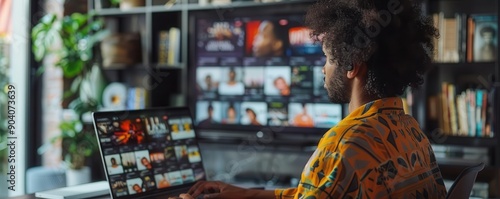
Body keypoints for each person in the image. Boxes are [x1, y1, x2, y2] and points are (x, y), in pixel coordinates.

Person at [169, 0, 446, 198]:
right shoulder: (410, 130)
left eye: (327, 57)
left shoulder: (344, 145)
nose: (323, 68)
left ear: (352, 65)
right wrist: (247, 194)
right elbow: (317, 192)